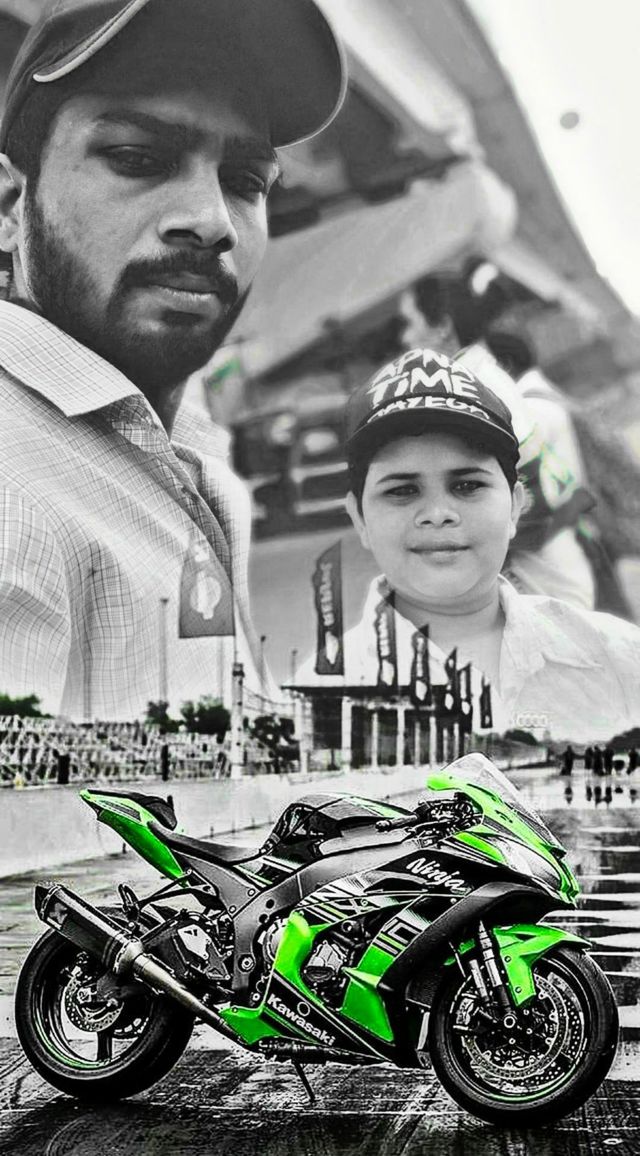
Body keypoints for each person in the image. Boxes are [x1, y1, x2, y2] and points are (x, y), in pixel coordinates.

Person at [0, 0, 345, 720]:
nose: (214, 222)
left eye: (246, 181)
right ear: (8, 206)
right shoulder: (15, 497)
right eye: (138, 159)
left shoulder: (179, 440)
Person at [301, 346, 640, 743]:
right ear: (359, 517)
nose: (438, 513)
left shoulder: (618, 656)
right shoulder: (315, 710)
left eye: (467, 485)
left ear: (516, 506)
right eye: (402, 490)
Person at [398, 271, 599, 610]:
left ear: (442, 326)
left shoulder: (477, 390)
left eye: (409, 322)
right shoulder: (479, 379)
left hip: (548, 589)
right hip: (548, 576)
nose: (405, 337)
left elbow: (527, 498)